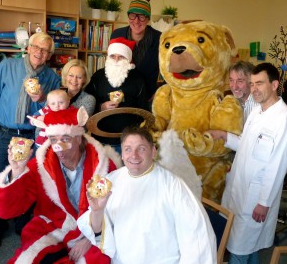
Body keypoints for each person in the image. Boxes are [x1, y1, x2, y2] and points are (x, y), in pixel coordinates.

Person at [0, 107, 121, 263]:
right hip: (52, 228)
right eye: (53, 139)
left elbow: (115, 211)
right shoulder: (40, 166)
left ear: (79, 138)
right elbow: (6, 211)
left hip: (92, 230)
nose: (58, 147)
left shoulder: (105, 165)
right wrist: (16, 171)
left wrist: (89, 239)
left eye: (66, 139)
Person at [77, 126, 217, 264]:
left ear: (153, 152)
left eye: (141, 149)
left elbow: (196, 239)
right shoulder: (111, 181)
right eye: (128, 149)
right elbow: (98, 234)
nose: (134, 155)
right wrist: (97, 211)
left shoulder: (174, 186)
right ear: (123, 153)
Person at [0, 32, 61, 251]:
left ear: (49, 55)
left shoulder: (52, 78)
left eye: (45, 50)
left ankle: (22, 223)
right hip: (3, 134)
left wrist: (40, 99)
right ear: (29, 47)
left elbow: (48, 114)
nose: (40, 52)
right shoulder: (8, 66)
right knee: (2, 179)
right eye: (37, 47)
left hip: (31, 135)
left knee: (27, 181)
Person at [208, 63, 287, 263]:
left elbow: (278, 166)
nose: (254, 89)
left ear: (274, 84)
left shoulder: (282, 119)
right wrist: (224, 136)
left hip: (256, 198)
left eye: (259, 83)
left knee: (239, 249)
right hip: (239, 189)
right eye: (252, 84)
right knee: (246, 247)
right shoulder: (257, 112)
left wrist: (264, 202)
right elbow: (245, 144)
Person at [85, 37, 149, 153]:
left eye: (121, 57)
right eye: (113, 56)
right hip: (100, 138)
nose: (116, 60)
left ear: (128, 59)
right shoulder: (97, 77)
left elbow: (143, 110)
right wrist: (101, 107)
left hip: (128, 141)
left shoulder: (138, 79)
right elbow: (87, 105)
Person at [110, 0, 161, 102]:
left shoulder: (159, 39)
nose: (136, 21)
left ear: (148, 19)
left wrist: (159, 91)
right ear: (128, 17)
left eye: (142, 17)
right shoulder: (117, 34)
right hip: (121, 96)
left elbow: (169, 69)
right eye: (133, 15)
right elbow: (111, 65)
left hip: (148, 98)